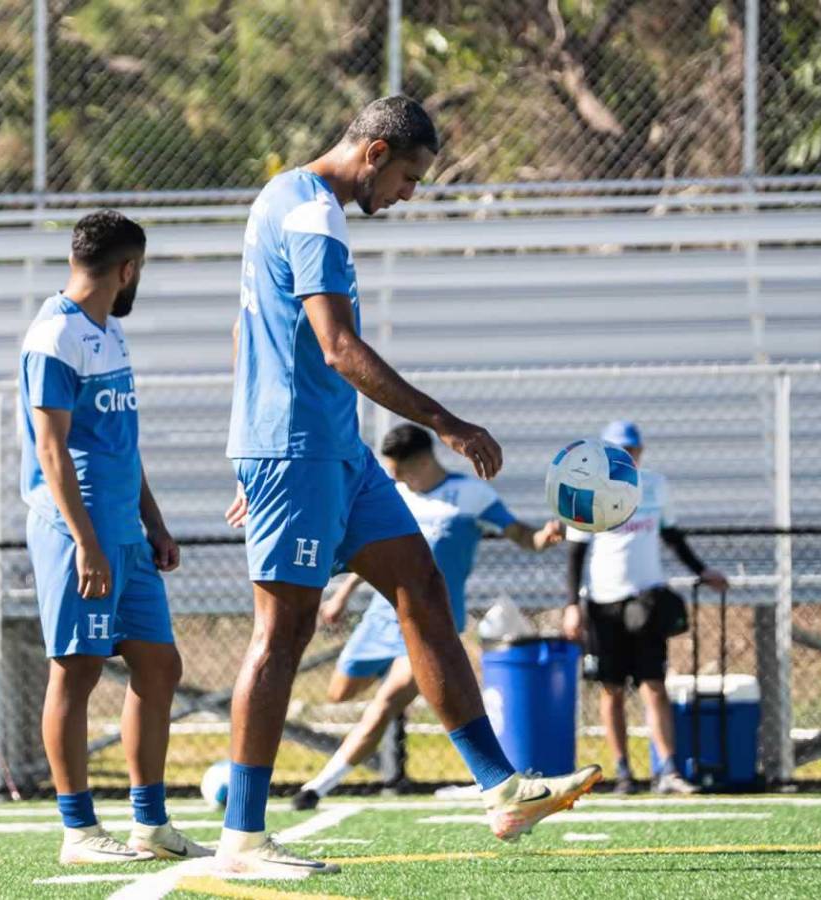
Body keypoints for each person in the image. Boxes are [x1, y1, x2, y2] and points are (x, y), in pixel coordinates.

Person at [221, 96, 601, 877]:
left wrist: (249, 442)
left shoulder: (286, 199)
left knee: (423, 586)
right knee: (284, 635)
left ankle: (502, 789)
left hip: (335, 452)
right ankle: (243, 841)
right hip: (299, 451)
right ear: (376, 150)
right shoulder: (313, 214)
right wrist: (447, 423)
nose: (409, 193)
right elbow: (336, 348)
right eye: (408, 175)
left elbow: (245, 332)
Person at [19, 211, 208, 864]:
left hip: (125, 529)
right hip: (79, 533)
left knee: (160, 665)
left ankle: (149, 824)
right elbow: (51, 450)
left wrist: (151, 521)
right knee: (76, 671)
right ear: (128, 269)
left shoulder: (111, 334)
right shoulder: (53, 334)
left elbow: (121, 443)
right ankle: (78, 831)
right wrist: (86, 542)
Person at [291, 424, 564, 810]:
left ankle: (316, 788)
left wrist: (543, 538)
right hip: (381, 617)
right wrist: (341, 597)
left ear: (421, 460)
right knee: (340, 692)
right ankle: (402, 675)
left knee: (384, 704)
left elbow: (521, 535)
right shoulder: (394, 494)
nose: (393, 478)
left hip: (432, 621)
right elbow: (369, 550)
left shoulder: (471, 495)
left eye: (398, 470)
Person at [562, 420, 728, 795]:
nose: (628, 457)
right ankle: (623, 771)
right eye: (620, 450)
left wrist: (702, 570)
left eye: (633, 450)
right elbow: (576, 552)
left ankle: (667, 770)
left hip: (646, 598)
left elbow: (670, 533)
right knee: (612, 689)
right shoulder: (587, 490)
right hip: (603, 602)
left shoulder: (654, 485)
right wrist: (572, 604)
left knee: (654, 684)